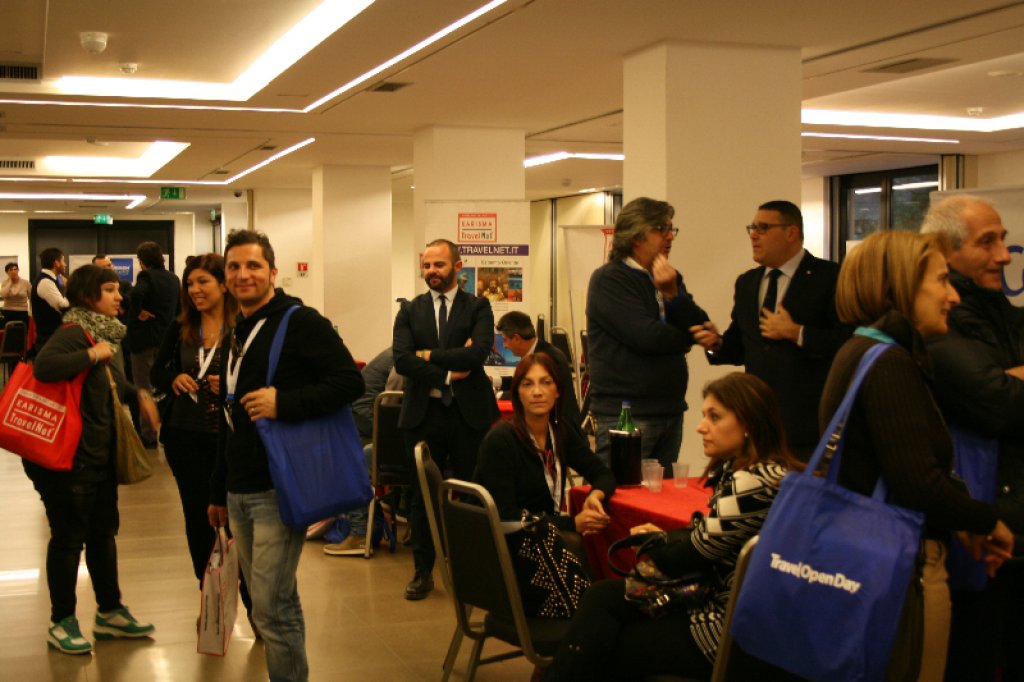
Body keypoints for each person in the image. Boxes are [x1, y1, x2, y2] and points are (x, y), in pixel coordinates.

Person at [819, 230, 1015, 681]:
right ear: (901, 285)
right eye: (942, 281)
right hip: (898, 571)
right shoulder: (888, 362)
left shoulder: (861, 350)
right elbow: (918, 483)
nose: (953, 297)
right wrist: (986, 521)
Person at [544, 372, 800, 681]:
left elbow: (693, 555)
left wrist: (652, 544)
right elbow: (706, 539)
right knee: (603, 598)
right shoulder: (766, 473)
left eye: (714, 417)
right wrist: (661, 539)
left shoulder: (752, 483)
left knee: (604, 641)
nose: (701, 426)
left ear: (749, 424)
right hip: (725, 605)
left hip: (729, 628)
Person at [208, 230, 363, 682]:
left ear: (273, 272)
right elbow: (229, 417)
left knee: (272, 606)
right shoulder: (236, 331)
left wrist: (285, 403)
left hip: (279, 486)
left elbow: (349, 382)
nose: (243, 275)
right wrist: (218, 489)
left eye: (253, 266)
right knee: (267, 601)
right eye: (234, 267)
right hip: (240, 487)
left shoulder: (300, 322)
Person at [26, 264, 160, 655]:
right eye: (110, 290)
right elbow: (44, 366)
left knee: (102, 534)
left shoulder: (106, 333)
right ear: (89, 297)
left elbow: (111, 383)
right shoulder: (74, 332)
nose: (120, 297)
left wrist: (139, 395)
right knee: (68, 540)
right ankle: (61, 621)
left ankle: (110, 612)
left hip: (97, 455)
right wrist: (90, 354)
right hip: (69, 459)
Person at [919, 195, 1024, 681]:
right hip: (979, 529)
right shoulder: (939, 326)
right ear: (946, 250)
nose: (1004, 255)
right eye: (988, 242)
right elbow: (999, 403)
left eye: (1003, 240)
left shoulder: (997, 309)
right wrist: (1004, 380)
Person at [690, 200, 850, 459]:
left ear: (791, 233)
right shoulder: (747, 282)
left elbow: (847, 341)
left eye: (763, 228)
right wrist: (715, 345)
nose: (754, 235)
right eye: (752, 228)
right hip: (756, 423)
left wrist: (797, 332)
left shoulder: (830, 277)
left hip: (807, 424)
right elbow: (741, 346)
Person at [150, 253, 255, 631]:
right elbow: (157, 372)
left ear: (223, 285)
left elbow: (261, 377)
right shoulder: (181, 327)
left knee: (241, 523)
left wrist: (229, 382)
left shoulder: (244, 327)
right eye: (190, 283)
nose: (194, 290)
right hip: (186, 436)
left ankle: (255, 605)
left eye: (202, 282)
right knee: (198, 522)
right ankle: (211, 599)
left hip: (232, 438)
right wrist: (173, 378)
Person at [393, 238, 499, 600]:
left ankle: (470, 573)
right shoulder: (410, 310)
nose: (431, 271)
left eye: (438, 264)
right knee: (422, 497)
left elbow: (478, 354)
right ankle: (422, 572)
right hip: (423, 415)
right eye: (426, 265)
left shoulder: (478, 306)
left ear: (457, 266)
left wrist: (427, 355)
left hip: (469, 416)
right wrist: (448, 374)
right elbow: (402, 359)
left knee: (471, 493)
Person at [475, 352, 614, 606]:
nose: (537, 392)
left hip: (544, 540)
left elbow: (603, 473)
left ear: (558, 391)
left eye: (545, 383)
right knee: (595, 600)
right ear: (517, 393)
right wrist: (572, 523)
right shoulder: (500, 441)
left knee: (607, 585)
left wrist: (595, 494)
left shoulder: (559, 432)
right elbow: (506, 518)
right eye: (528, 384)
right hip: (507, 553)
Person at [586, 197, 710, 469]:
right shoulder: (610, 279)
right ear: (636, 236)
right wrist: (687, 338)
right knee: (623, 492)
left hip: (670, 409)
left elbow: (700, 324)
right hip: (627, 414)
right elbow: (648, 337)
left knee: (662, 493)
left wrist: (674, 294)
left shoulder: (668, 277)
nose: (670, 236)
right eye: (661, 229)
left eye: (671, 229)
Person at [321, 347, 404, 556]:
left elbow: (389, 406)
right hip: (367, 415)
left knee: (355, 463)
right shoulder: (405, 358)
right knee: (359, 460)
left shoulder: (400, 356)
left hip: (366, 414)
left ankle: (359, 532)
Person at [124, 241, 180, 447]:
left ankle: (148, 436)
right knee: (165, 387)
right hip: (166, 340)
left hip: (144, 340)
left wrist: (138, 312)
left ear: (142, 261)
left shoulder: (146, 276)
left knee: (144, 388)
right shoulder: (173, 279)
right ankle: (168, 430)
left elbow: (136, 294)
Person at [495, 310, 582, 430]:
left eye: (505, 340)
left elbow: (535, 391)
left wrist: (500, 395)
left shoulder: (548, 358)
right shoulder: (539, 351)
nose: (504, 346)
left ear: (516, 338)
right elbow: (522, 382)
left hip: (560, 430)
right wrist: (496, 381)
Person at [30, 247, 69, 355]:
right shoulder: (45, 282)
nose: (65, 264)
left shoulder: (53, 280)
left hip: (53, 338)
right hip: (48, 340)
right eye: (63, 261)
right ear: (56, 263)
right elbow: (63, 306)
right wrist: (72, 292)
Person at [1, 262, 30, 326]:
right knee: (8, 330)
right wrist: (10, 281)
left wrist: (31, 312)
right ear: (7, 272)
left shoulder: (25, 283)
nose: (13, 271)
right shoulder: (5, 283)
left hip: (22, 311)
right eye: (11, 270)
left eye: (15, 269)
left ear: (18, 270)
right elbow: (3, 295)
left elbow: (31, 297)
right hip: (8, 310)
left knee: (22, 329)